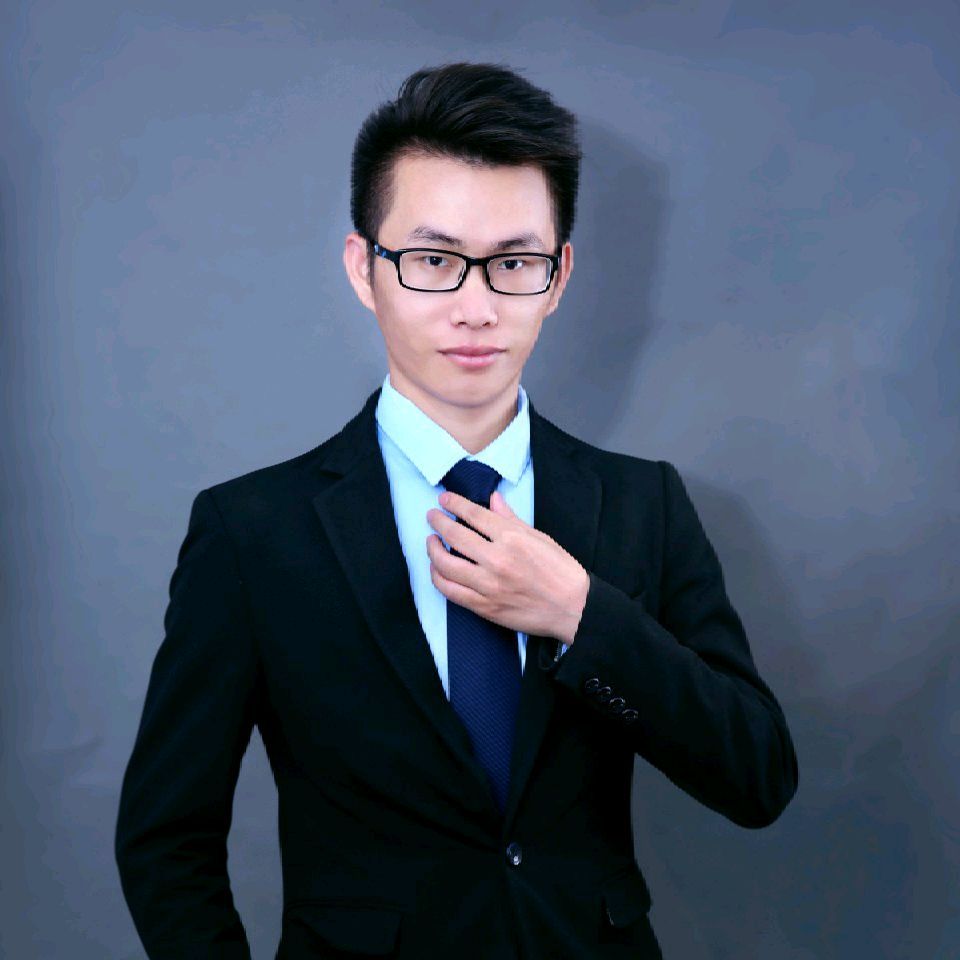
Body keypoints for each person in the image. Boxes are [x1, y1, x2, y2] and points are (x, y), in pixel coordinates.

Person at [115, 61, 799, 960]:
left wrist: (582, 615)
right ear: (365, 269)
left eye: (513, 263)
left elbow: (757, 778)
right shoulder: (252, 531)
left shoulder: (645, 505)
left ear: (558, 276)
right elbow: (166, 840)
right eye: (434, 261)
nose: (476, 308)